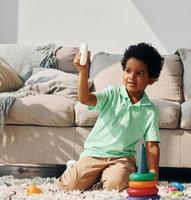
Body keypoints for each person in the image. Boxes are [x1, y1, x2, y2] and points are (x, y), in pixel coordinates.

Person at [57, 42, 164, 192]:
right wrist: (83, 72)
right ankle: (78, 168)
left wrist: (154, 174)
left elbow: (152, 145)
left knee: (115, 187)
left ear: (151, 79)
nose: (131, 77)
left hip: (122, 159)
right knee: (67, 187)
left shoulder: (151, 111)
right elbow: (85, 99)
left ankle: (103, 177)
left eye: (139, 73)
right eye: (128, 71)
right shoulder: (111, 94)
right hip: (93, 154)